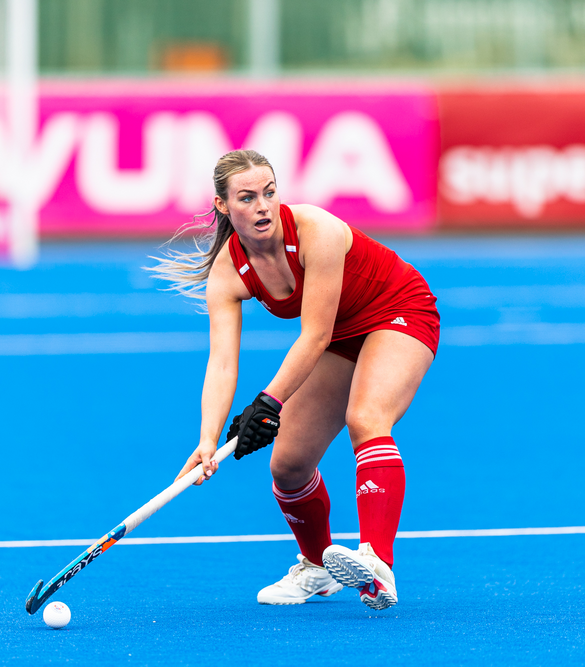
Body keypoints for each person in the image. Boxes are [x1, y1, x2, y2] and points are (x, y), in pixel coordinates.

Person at [152, 149, 439, 610]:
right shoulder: (228, 272)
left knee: (367, 417)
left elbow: (315, 334)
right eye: (247, 197)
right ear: (223, 205)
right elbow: (222, 363)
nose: (263, 206)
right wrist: (207, 440)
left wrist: (268, 404)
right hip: (342, 334)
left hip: (398, 310)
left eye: (269, 192)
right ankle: (317, 567)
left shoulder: (315, 231)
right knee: (287, 464)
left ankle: (377, 564)